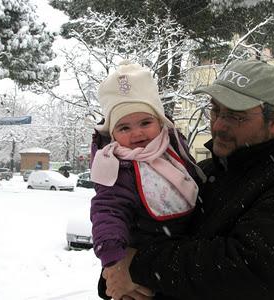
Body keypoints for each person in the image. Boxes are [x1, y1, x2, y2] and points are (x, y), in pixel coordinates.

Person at [102, 59, 274, 300]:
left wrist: (138, 265)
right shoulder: (200, 172)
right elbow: (145, 230)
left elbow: (247, 270)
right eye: (215, 110)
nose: (219, 125)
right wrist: (115, 269)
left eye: (236, 116)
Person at [90, 60, 203, 299]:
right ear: (112, 134)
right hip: (141, 261)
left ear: (160, 122)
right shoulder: (116, 167)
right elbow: (108, 210)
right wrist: (112, 258)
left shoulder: (175, 150)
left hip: (180, 259)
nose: (137, 133)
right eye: (124, 128)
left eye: (145, 123)